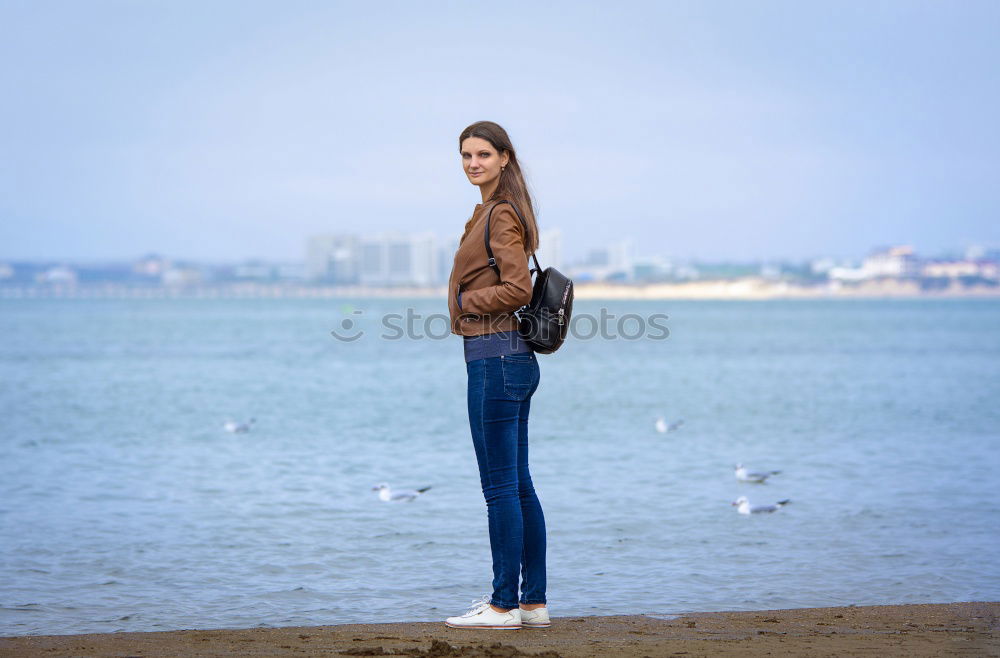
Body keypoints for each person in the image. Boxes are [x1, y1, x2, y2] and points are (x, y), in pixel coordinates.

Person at [444, 121, 549, 630]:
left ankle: (504, 604)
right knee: (519, 486)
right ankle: (533, 603)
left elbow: (518, 289)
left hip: (495, 359)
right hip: (510, 360)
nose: (472, 163)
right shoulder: (490, 211)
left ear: (505, 158)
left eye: (483, 154)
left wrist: (465, 303)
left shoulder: (500, 215)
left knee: (500, 488)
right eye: (465, 155)